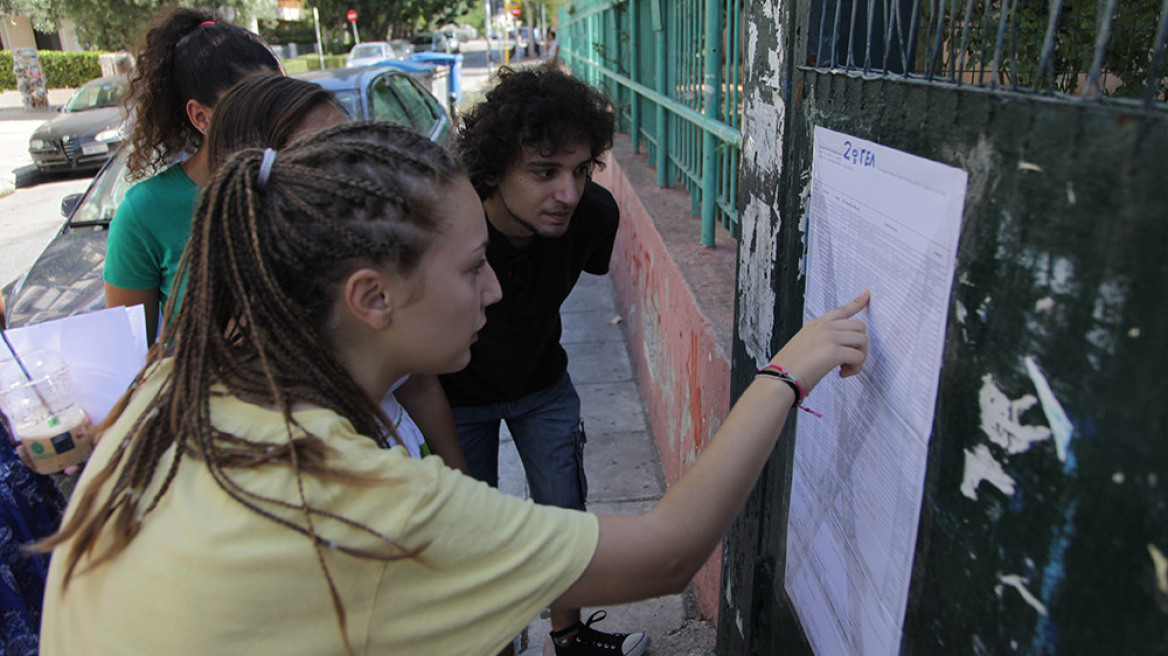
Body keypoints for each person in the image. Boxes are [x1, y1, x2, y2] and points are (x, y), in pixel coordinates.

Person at [37, 121, 869, 656]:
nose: (495, 291)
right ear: (371, 298)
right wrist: (788, 369)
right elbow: (669, 553)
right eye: (472, 270)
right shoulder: (360, 500)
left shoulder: (182, 385)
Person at [437, 64, 634, 654]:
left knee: (565, 514)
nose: (567, 194)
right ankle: (496, 640)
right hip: (456, 396)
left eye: (579, 171)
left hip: (544, 385)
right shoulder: (449, 223)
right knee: (472, 530)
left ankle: (567, 635)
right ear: (494, 170)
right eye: (544, 172)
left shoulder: (595, 215)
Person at [204, 72, 468, 472]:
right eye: (322, 155)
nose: (351, 173)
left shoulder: (360, 261)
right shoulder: (248, 349)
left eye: (351, 149)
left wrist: (461, 483)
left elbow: (417, 383)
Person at [103, 8, 282, 344]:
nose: (275, 121)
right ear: (201, 116)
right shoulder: (144, 213)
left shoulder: (300, 179)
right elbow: (127, 359)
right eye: (255, 107)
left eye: (280, 101)